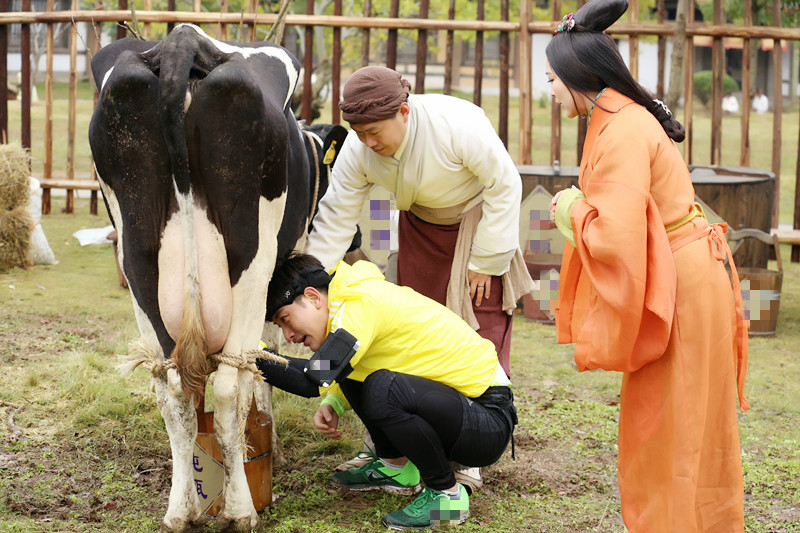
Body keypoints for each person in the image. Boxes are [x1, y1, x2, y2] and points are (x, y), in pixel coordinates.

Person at [546, 1, 749, 532]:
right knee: (694, 424)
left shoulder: (622, 130)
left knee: (665, 430)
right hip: (690, 273)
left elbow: (617, 236)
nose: (549, 91)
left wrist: (571, 209)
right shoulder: (620, 118)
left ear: (576, 77)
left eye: (551, 80)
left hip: (678, 283)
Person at [304, 65, 534, 489]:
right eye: (359, 133)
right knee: (412, 333)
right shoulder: (359, 149)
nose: (368, 142)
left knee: (477, 323)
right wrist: (309, 280)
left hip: (476, 227)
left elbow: (504, 184)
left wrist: (486, 259)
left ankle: (466, 451)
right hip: (420, 228)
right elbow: (337, 215)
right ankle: (405, 444)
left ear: (404, 112)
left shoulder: (456, 123)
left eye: (375, 131)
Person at [256, 253, 517, 530]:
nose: (288, 335)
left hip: (487, 422)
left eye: (286, 319)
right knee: (359, 373)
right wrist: (336, 401)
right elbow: (347, 368)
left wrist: (252, 353)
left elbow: (311, 379)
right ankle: (396, 470)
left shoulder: (360, 303)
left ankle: (448, 499)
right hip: (463, 414)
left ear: (312, 297)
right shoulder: (349, 303)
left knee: (384, 388)